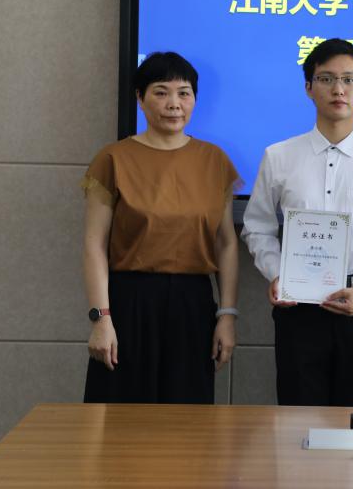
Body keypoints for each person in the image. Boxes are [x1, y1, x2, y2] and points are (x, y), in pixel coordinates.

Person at [241, 38, 353, 407]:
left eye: (349, 79)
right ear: (309, 87)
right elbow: (257, 228)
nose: (339, 89)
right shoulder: (278, 156)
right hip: (298, 309)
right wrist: (278, 273)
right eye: (327, 79)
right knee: (297, 421)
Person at [81, 51, 240, 404]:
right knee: (119, 413)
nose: (173, 104)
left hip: (193, 304)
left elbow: (226, 243)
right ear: (140, 98)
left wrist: (226, 315)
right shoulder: (113, 158)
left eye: (184, 93)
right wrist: (101, 319)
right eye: (161, 92)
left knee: (186, 417)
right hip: (129, 303)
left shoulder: (214, 160)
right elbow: (94, 245)